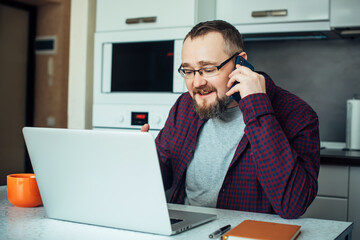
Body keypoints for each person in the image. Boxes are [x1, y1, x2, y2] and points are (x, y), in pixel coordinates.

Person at [141, 20, 320, 219]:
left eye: (208, 69)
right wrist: (143, 158)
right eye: (189, 71)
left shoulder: (298, 114)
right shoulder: (184, 106)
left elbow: (292, 205)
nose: (197, 83)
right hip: (187, 230)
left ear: (240, 62)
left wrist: (257, 107)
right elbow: (162, 179)